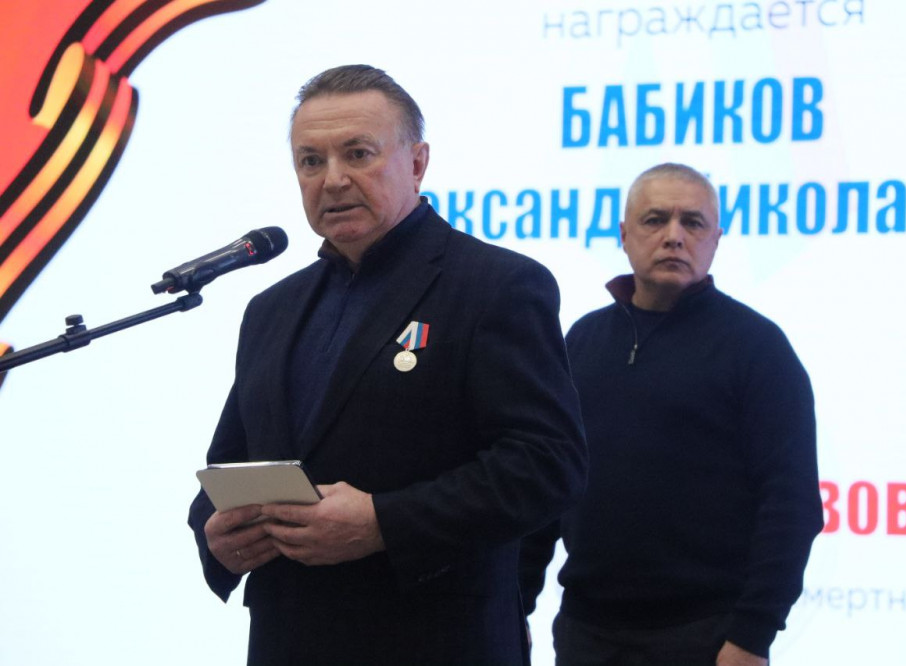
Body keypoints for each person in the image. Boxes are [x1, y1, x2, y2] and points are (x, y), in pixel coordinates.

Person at [187, 64, 587, 665]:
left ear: (417, 163)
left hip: (434, 640)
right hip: (289, 639)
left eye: (358, 154)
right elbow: (235, 463)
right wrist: (214, 532)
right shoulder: (271, 309)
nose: (333, 179)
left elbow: (547, 465)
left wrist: (383, 522)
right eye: (311, 161)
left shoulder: (495, 286)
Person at [519, 163, 823, 666]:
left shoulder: (757, 348)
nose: (674, 236)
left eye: (693, 223)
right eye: (655, 219)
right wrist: (514, 607)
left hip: (707, 636)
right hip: (586, 632)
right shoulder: (582, 341)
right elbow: (546, 485)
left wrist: (753, 636)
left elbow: (791, 504)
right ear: (623, 235)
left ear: (717, 239)